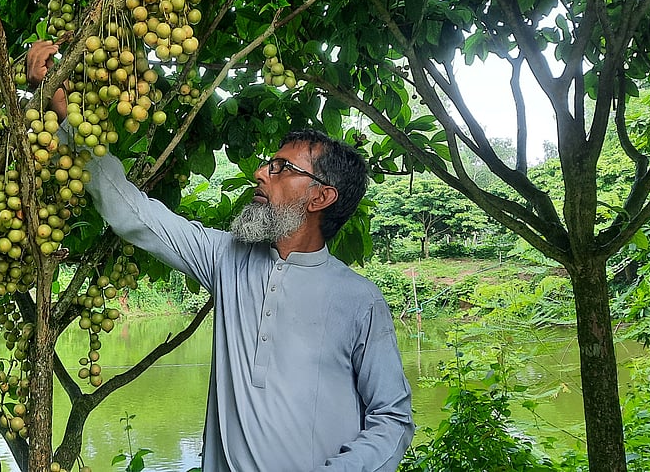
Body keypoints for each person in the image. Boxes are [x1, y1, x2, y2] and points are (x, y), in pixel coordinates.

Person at [28, 42, 414, 471]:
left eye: (281, 168)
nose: (260, 173)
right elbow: (132, 213)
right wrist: (64, 116)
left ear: (320, 196)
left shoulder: (361, 301)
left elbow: (393, 421)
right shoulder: (227, 258)